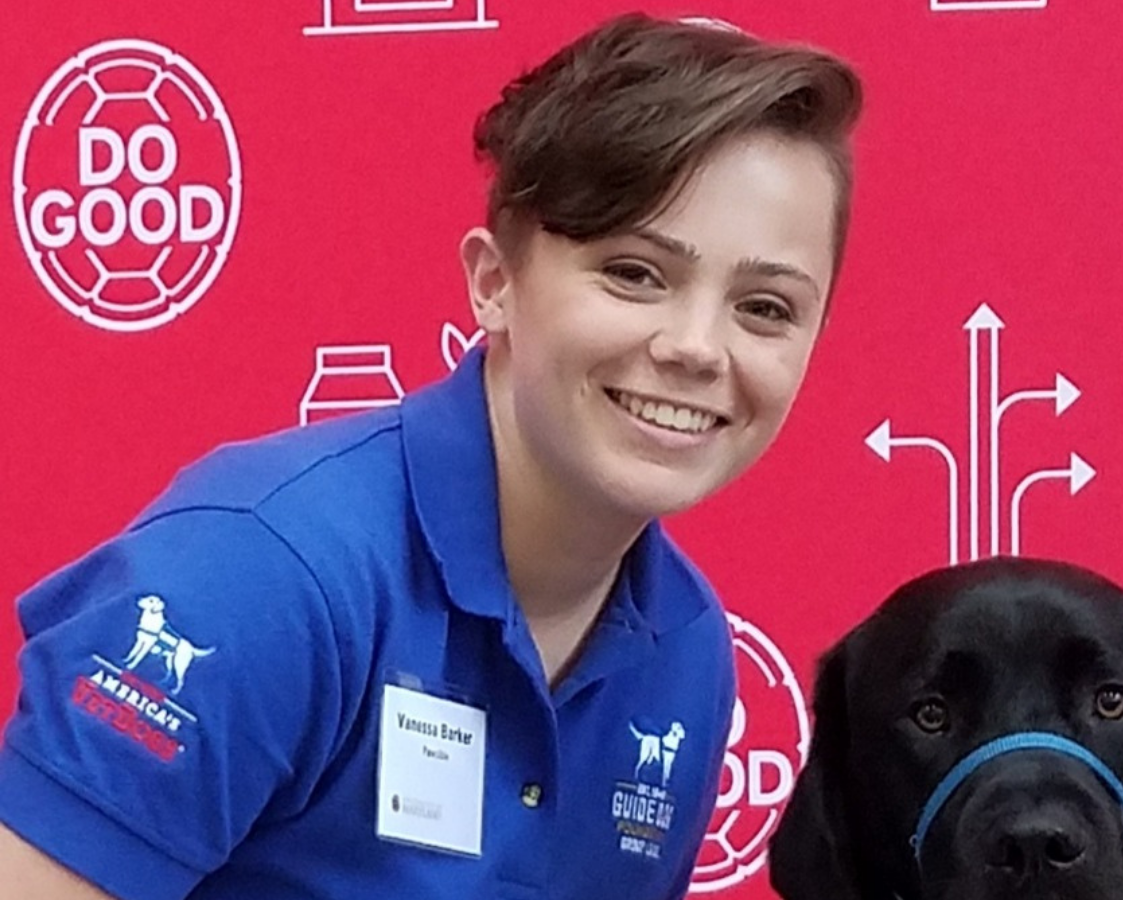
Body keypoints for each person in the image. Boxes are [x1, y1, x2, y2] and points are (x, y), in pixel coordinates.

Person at [0, 13, 862, 900]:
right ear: (494, 283)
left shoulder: (687, 652)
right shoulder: (264, 574)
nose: (696, 347)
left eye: (765, 307)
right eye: (635, 274)